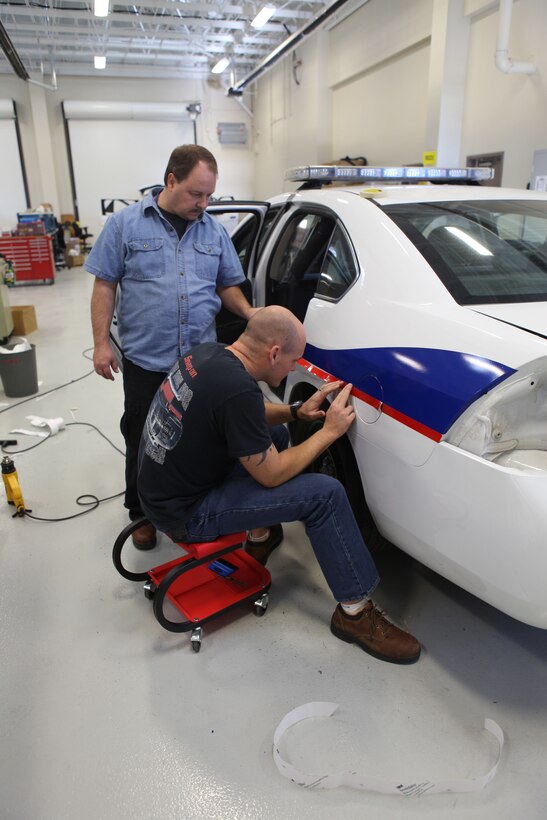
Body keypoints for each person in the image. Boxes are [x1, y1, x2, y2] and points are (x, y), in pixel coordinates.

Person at [137, 305, 421, 664]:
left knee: (273, 434)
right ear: (274, 352)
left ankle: (262, 535)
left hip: (163, 490)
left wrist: (295, 412)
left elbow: (243, 411)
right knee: (325, 495)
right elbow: (270, 474)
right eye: (292, 361)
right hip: (185, 514)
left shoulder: (210, 355)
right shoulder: (236, 388)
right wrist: (330, 433)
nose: (293, 368)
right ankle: (355, 614)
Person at [86, 144, 269, 550]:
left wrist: (250, 313)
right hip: (146, 359)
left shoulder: (213, 230)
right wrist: (101, 343)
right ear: (171, 180)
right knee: (143, 436)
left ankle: (196, 504)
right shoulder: (126, 226)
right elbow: (105, 285)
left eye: (209, 196)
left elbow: (227, 285)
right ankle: (143, 515)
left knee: (200, 437)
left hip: (200, 361)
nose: (203, 204)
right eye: (195, 194)